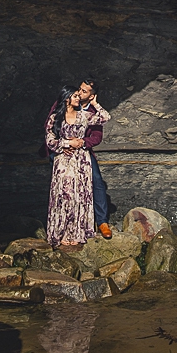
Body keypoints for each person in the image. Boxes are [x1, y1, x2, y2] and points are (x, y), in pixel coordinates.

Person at [40, 78, 113, 239]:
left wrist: (80, 142)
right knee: (63, 189)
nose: (79, 93)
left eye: (84, 92)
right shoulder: (63, 103)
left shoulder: (89, 114)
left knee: (96, 181)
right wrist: (64, 145)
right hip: (60, 152)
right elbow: (49, 127)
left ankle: (101, 221)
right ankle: (62, 225)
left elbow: (97, 136)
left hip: (82, 153)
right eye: (79, 90)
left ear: (92, 95)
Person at [45, 85, 97, 250]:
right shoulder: (56, 118)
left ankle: (75, 233)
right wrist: (68, 143)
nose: (78, 98)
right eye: (75, 95)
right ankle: (60, 232)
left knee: (79, 196)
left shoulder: (84, 116)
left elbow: (105, 117)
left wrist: (95, 104)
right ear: (66, 98)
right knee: (64, 195)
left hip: (81, 160)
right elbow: (50, 141)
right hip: (63, 161)